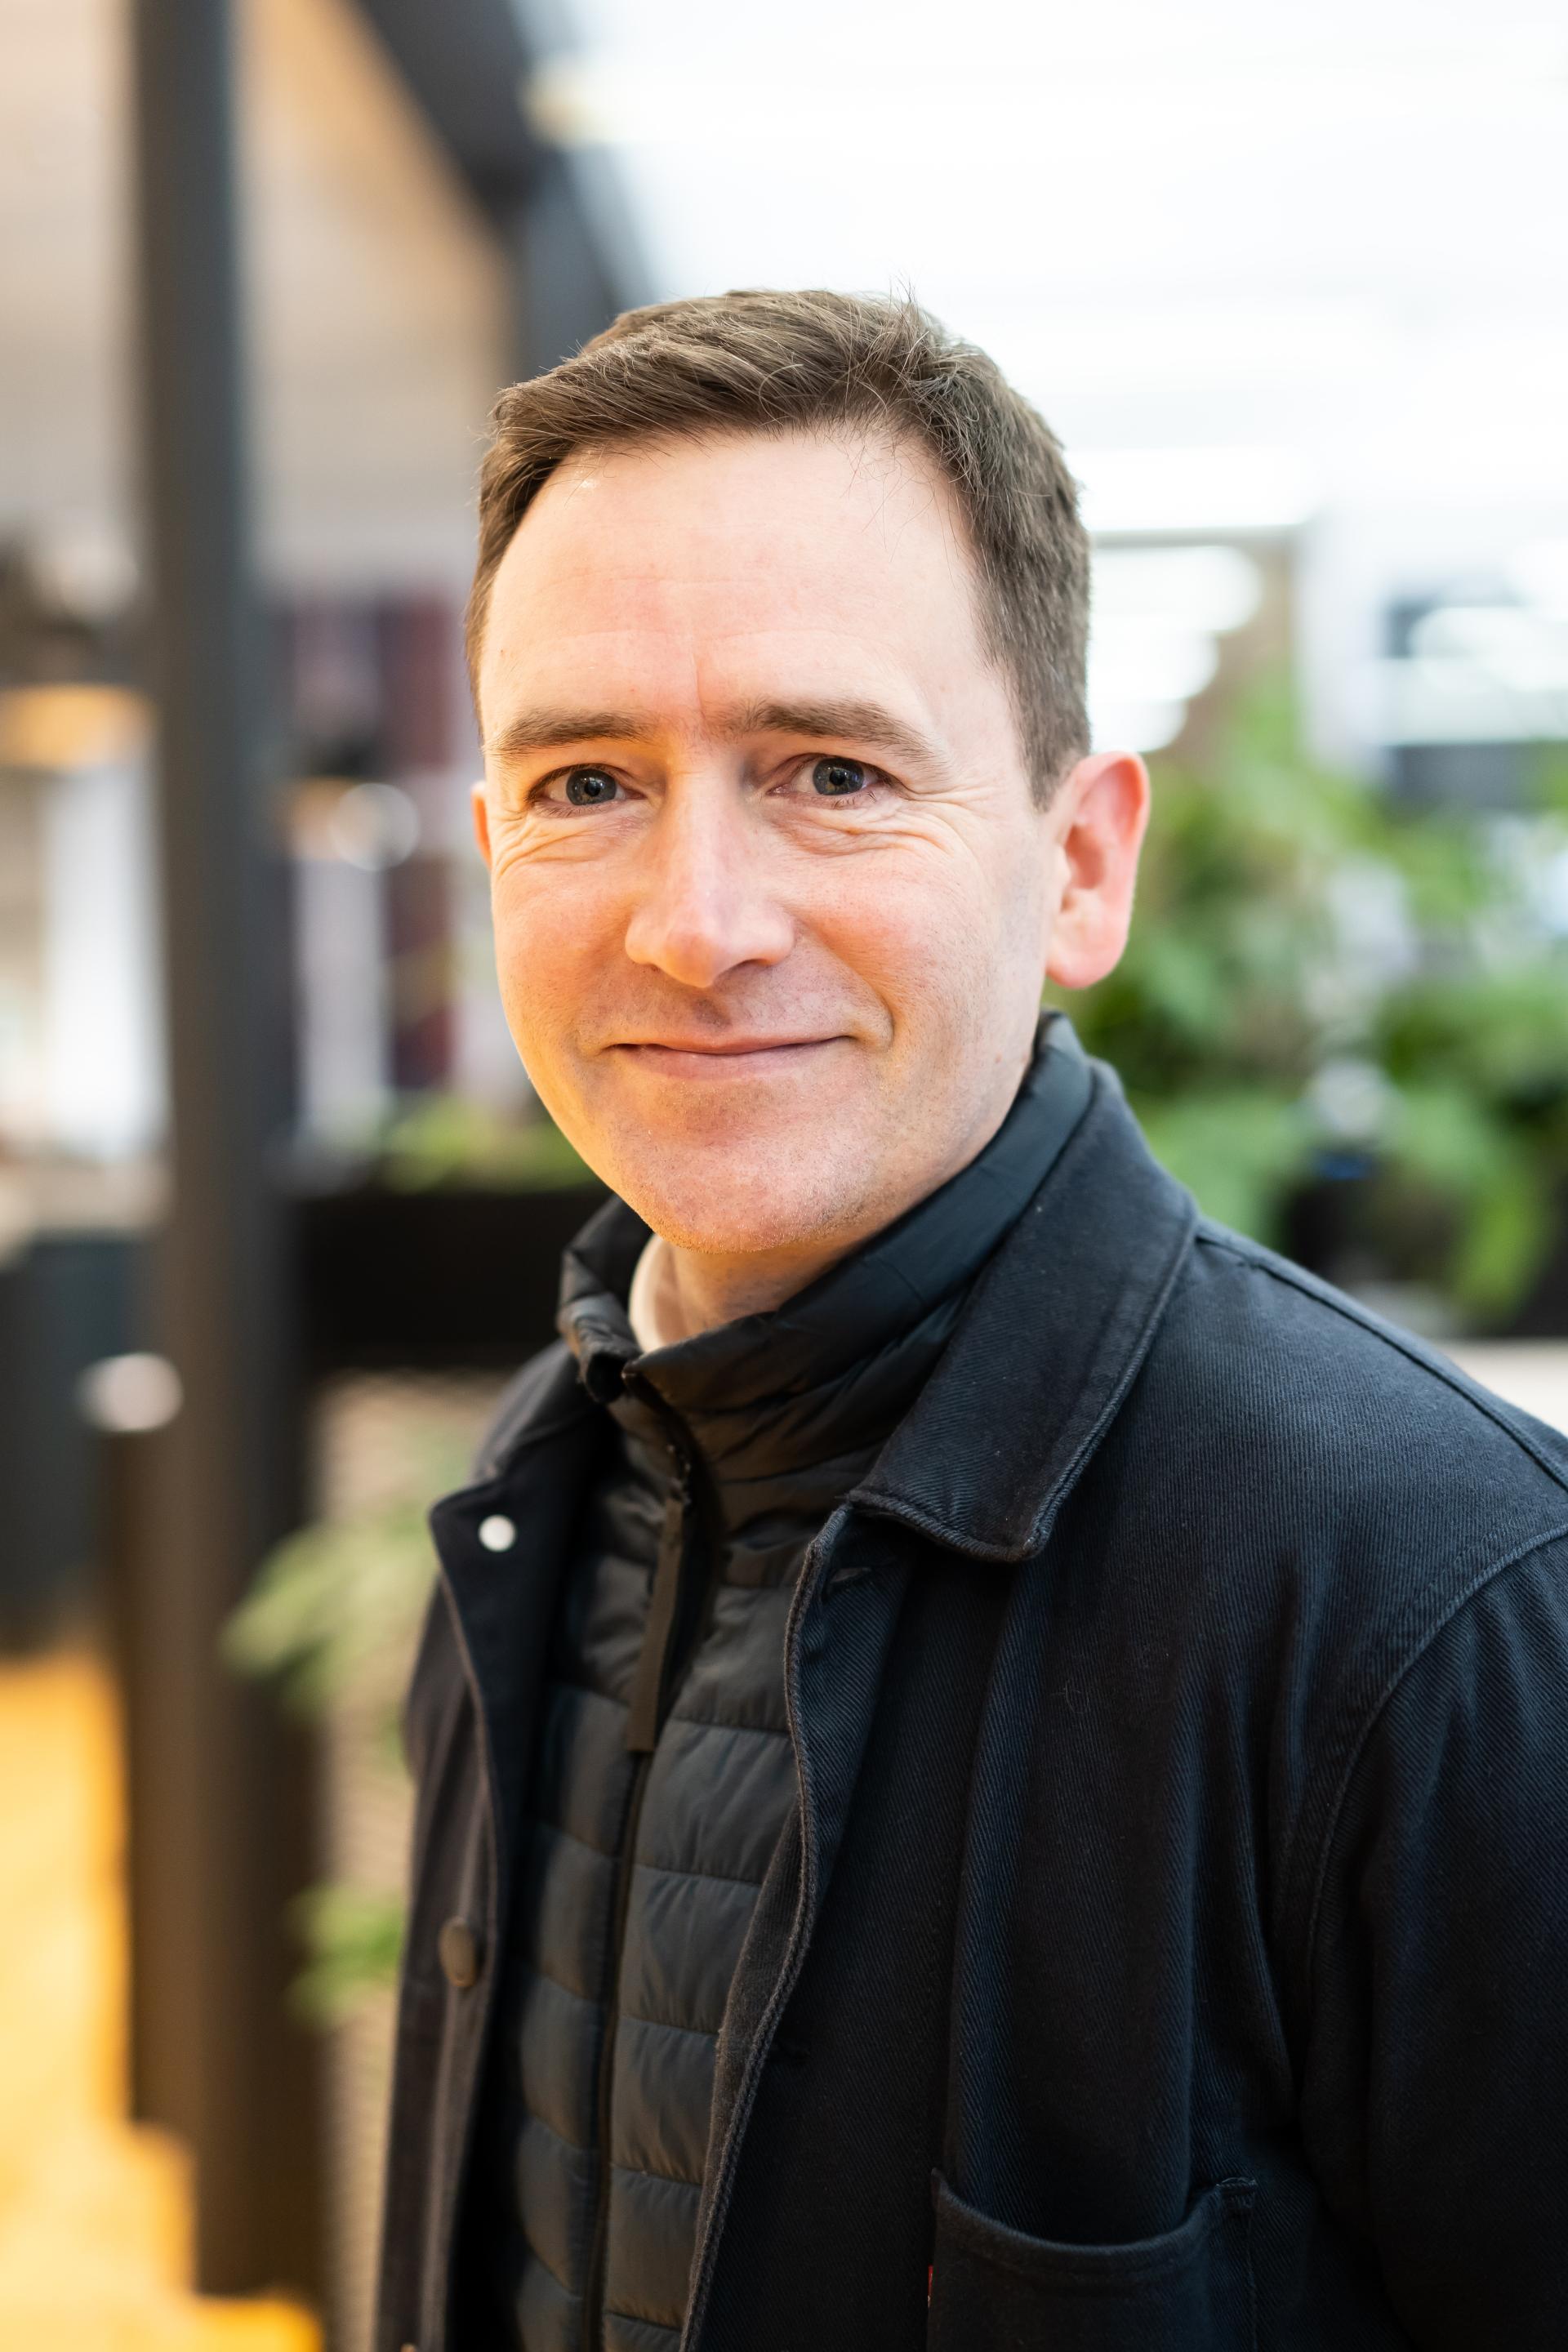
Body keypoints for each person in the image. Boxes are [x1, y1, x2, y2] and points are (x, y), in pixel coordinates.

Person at [374, 291, 1568, 2352]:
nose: (697, 923)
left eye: (832, 771)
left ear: (1080, 864)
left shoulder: (1431, 1606)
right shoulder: (544, 1483)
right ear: (491, 857)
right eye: (585, 784)